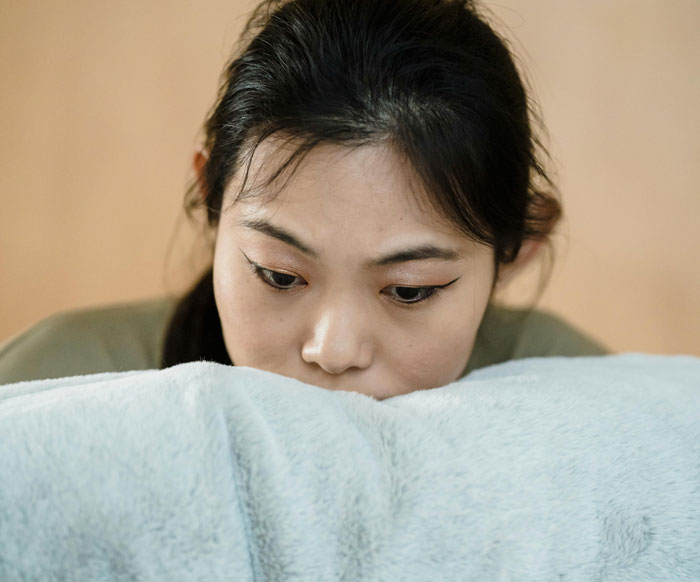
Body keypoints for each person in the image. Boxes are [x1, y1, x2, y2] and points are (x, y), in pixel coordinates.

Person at [0, 0, 606, 396]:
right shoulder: (53, 393)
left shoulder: (589, 401)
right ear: (212, 198)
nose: (333, 352)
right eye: (280, 276)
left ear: (514, 254)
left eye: (410, 290)